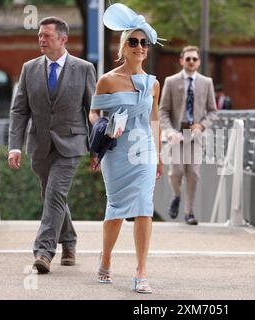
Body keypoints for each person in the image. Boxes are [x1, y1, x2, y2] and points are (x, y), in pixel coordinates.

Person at [8, 17, 96, 274]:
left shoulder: (84, 69)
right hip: (39, 145)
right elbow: (19, 111)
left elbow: (93, 112)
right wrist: (15, 146)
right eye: (39, 35)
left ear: (63, 39)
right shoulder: (29, 68)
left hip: (72, 143)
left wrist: (97, 149)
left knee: (55, 194)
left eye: (47, 35)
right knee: (52, 196)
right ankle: (69, 241)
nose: (41, 40)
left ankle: (43, 252)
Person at [89, 3, 163, 294]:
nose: (139, 46)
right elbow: (94, 114)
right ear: (123, 46)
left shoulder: (153, 84)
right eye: (133, 41)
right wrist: (104, 129)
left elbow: (154, 119)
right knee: (117, 208)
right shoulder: (107, 80)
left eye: (144, 42)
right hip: (117, 150)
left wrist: (159, 157)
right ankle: (106, 257)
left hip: (143, 148)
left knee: (144, 207)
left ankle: (141, 270)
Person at [160, 46, 217, 225]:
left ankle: (189, 212)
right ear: (181, 61)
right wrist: (169, 131)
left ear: (199, 62)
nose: (191, 62)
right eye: (188, 59)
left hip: (196, 135)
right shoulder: (171, 81)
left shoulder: (206, 82)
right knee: (176, 173)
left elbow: (213, 112)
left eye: (194, 59)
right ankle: (176, 195)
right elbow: (163, 111)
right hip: (177, 133)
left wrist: (201, 125)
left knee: (193, 173)